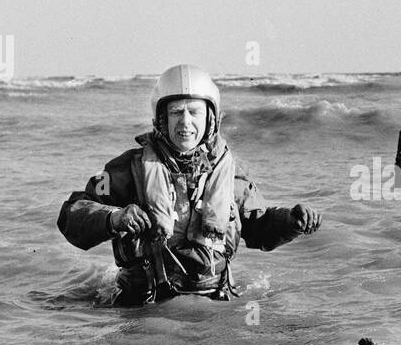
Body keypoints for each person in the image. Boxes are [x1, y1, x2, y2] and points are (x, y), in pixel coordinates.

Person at [57, 64, 321, 306]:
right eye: (176, 112)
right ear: (161, 119)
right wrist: (113, 218)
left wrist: (290, 221)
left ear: (211, 119)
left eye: (194, 112)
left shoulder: (230, 175)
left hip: (213, 301)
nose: (185, 122)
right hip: (142, 307)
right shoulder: (127, 170)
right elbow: (72, 214)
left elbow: (259, 226)